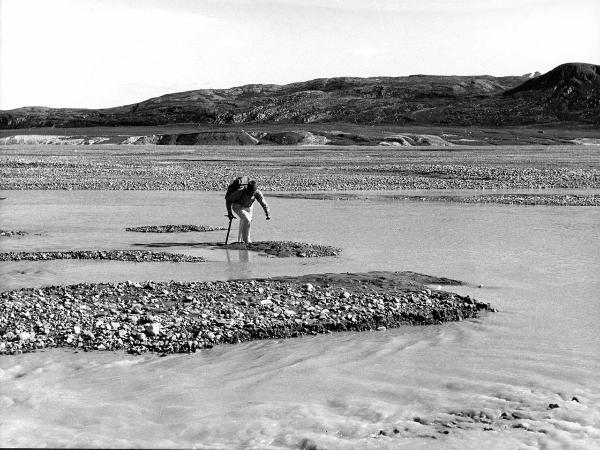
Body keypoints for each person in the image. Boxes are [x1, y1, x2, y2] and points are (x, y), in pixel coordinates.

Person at [225, 180, 270, 244]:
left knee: (247, 221)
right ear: (247, 189)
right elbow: (228, 200)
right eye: (249, 192)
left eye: (253, 192)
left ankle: (241, 240)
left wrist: (267, 213)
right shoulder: (240, 191)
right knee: (247, 219)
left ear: (255, 191)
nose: (251, 194)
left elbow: (264, 203)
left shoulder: (257, 193)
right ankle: (246, 241)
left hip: (249, 206)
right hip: (238, 206)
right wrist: (230, 213)